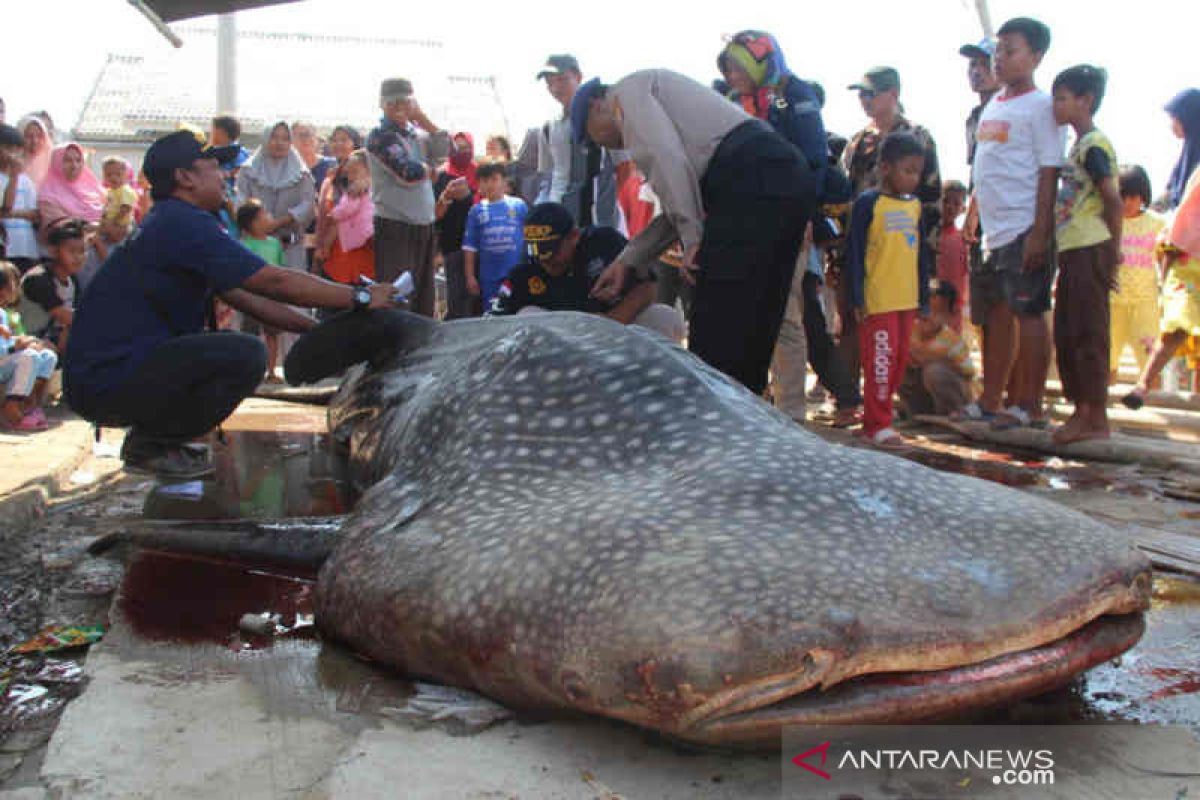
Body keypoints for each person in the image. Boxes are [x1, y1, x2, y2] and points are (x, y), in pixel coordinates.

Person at [64, 131, 398, 478]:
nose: (225, 175)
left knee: (234, 351)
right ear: (185, 178)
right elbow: (274, 281)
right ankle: (152, 444)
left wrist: (320, 329)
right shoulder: (183, 224)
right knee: (245, 355)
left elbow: (248, 299)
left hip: (101, 378)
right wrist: (360, 296)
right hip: (107, 379)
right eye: (214, 167)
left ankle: (155, 440)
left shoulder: (171, 220)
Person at [574, 69, 815, 395]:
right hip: (779, 175)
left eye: (591, 137)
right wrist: (628, 261)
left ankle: (717, 432)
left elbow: (666, 160)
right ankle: (745, 429)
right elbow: (680, 200)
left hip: (749, 178)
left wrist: (693, 240)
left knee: (717, 334)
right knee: (753, 328)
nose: (603, 145)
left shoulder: (625, 95)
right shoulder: (665, 101)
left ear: (594, 106)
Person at [718, 30, 859, 425]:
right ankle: (751, 404)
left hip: (787, 219)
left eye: (737, 66)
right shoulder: (732, 103)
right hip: (742, 222)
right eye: (727, 68)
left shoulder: (795, 96)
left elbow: (813, 161)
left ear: (759, 60)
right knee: (746, 314)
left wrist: (802, 217)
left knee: (786, 316)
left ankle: (791, 414)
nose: (731, 76)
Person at [962, 17, 1066, 429]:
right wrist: (974, 212)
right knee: (995, 315)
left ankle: (1029, 405)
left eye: (1011, 50)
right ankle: (991, 400)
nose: (1000, 59)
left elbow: (1048, 170)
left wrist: (1040, 230)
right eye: (998, 51)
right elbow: (986, 163)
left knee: (1029, 311)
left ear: (1036, 57)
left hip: (1025, 225)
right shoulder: (994, 103)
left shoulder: (1041, 107)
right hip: (992, 228)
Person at [838, 67, 941, 398]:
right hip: (859, 249)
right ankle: (850, 396)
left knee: (898, 331)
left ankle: (893, 399)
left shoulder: (917, 138)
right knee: (852, 320)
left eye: (871, 93)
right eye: (861, 94)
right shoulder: (858, 141)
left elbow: (931, 198)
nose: (864, 101)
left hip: (901, 253)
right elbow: (844, 195)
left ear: (893, 94)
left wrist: (927, 258)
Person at [489, 202, 684, 342]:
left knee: (664, 316)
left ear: (574, 236)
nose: (545, 261)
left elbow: (647, 288)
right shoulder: (525, 266)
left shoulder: (605, 243)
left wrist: (610, 322)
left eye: (553, 252)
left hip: (614, 331)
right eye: (538, 254)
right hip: (559, 343)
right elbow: (494, 319)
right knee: (525, 315)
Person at [845, 132, 931, 447]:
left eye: (917, 172)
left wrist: (923, 297)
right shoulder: (869, 204)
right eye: (906, 171)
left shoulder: (916, 207)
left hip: (906, 299)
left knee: (897, 363)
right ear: (885, 168)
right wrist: (855, 296)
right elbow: (854, 253)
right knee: (880, 362)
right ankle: (879, 424)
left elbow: (921, 255)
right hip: (878, 300)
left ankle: (875, 420)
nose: (913, 178)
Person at [1050, 66, 1121, 444]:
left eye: (1061, 98)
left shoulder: (1094, 145)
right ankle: (1082, 408)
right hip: (1073, 247)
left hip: (1090, 245)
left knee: (1088, 331)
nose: (1055, 106)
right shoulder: (1077, 145)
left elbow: (1112, 198)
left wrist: (1113, 249)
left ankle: (1094, 414)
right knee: (1069, 329)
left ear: (1085, 101)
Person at [1122, 91, 1200, 410]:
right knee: (1178, 323)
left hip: (1184, 252)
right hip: (1186, 255)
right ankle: (1142, 383)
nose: (1172, 125)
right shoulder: (1189, 162)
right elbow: (1182, 212)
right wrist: (1169, 251)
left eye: (1176, 118)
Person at [367, 77, 449, 317]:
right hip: (396, 225)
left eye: (405, 101)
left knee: (425, 299)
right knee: (398, 298)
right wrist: (431, 170)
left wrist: (424, 119)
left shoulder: (417, 134)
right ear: (382, 104)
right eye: (392, 102)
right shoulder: (379, 136)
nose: (399, 107)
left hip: (424, 223)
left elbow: (449, 152)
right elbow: (407, 172)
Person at [535, 55, 619, 228]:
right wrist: (542, 208)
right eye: (550, 83)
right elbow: (548, 175)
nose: (556, 88)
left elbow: (624, 169)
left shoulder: (605, 118)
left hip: (599, 220)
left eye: (562, 80)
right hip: (561, 223)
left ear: (578, 77)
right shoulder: (548, 128)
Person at [1110, 166, 1165, 383]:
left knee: (1150, 356)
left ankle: (1152, 400)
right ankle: (1104, 405)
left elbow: (1165, 259)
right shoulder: (1109, 222)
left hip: (1145, 302)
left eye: (1131, 197)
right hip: (1113, 300)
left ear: (1143, 196)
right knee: (1108, 357)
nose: (1126, 203)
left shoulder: (1157, 224)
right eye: (1121, 197)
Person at [236, 122, 315, 272]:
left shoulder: (301, 173)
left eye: (285, 138)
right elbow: (240, 202)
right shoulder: (248, 171)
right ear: (265, 139)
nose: (279, 143)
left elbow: (308, 204)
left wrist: (280, 221)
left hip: (291, 245)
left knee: (292, 289)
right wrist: (257, 224)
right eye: (274, 137)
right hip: (255, 244)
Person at [899, 281, 976, 418]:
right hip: (925, 394)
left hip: (953, 393)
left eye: (937, 312)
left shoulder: (953, 342)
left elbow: (969, 374)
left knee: (934, 372)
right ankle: (917, 412)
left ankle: (954, 412)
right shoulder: (910, 333)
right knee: (898, 365)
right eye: (925, 310)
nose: (928, 316)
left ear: (950, 316)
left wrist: (936, 361)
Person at [0, 261, 57, 431]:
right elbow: (7, 347)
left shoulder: (3, 313)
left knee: (47, 356)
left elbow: (8, 342)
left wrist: (28, 342)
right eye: (14, 283)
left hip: (5, 360)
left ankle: (30, 405)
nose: (18, 288)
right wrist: (16, 346)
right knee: (29, 356)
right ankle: (10, 408)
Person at [463, 162, 528, 310]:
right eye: (484, 181)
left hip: (516, 274)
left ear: (504, 181)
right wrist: (470, 277)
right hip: (489, 277)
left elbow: (530, 238)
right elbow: (469, 247)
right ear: (478, 184)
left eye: (494, 179)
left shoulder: (519, 206)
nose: (490, 184)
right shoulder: (476, 211)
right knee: (494, 314)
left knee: (518, 312)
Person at [236, 199, 287, 382]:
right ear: (252, 223)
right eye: (264, 215)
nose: (269, 218)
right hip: (251, 297)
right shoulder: (243, 246)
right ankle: (249, 371)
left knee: (272, 334)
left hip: (272, 296)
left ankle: (271, 371)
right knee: (250, 334)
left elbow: (282, 268)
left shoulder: (274, 244)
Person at [20, 218, 85, 353]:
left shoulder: (73, 279)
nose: (78, 257)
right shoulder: (38, 279)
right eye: (72, 251)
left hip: (52, 341)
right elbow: (67, 316)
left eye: (82, 251)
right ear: (53, 251)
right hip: (25, 342)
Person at [434, 132, 478, 318]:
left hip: (479, 246)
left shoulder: (479, 173)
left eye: (466, 147)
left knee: (476, 297)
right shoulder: (442, 175)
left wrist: (470, 196)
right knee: (456, 298)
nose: (462, 152)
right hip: (452, 246)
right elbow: (435, 215)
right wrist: (447, 196)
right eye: (458, 147)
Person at [317, 149, 374, 289]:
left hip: (362, 255)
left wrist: (333, 215)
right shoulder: (337, 185)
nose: (350, 176)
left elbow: (341, 213)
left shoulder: (364, 190)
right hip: (341, 257)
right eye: (348, 173)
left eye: (355, 171)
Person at [313, 124, 364, 281]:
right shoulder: (330, 177)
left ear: (354, 143)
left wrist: (325, 245)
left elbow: (346, 213)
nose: (338, 144)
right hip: (331, 255)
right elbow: (323, 217)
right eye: (334, 140)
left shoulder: (362, 177)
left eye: (344, 139)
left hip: (355, 252)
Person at [37, 144, 105, 236]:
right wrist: (97, 227)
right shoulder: (48, 194)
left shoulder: (94, 188)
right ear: (56, 162)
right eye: (67, 161)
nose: (74, 166)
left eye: (78, 160)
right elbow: (60, 227)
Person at [0, 123, 40, 273]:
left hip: (25, 247)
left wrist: (14, 214)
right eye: (8, 148)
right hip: (4, 248)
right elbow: (5, 209)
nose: (13, 154)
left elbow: (35, 214)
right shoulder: (15, 177)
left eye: (17, 149)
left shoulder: (26, 181)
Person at [937, 180, 969, 333]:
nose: (949, 206)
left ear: (963, 209)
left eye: (956, 203)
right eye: (945, 201)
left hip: (953, 312)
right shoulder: (927, 237)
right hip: (927, 308)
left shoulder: (963, 240)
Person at [99, 156, 138, 245]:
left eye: (118, 174)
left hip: (121, 224)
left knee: (102, 232)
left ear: (125, 175)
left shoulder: (125, 190)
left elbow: (125, 208)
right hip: (112, 222)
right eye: (109, 175)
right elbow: (108, 206)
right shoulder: (110, 191)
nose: (113, 178)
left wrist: (113, 222)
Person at [17, 116, 52, 187]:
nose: (35, 141)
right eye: (29, 136)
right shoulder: (11, 160)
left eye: (39, 136)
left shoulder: (51, 161)